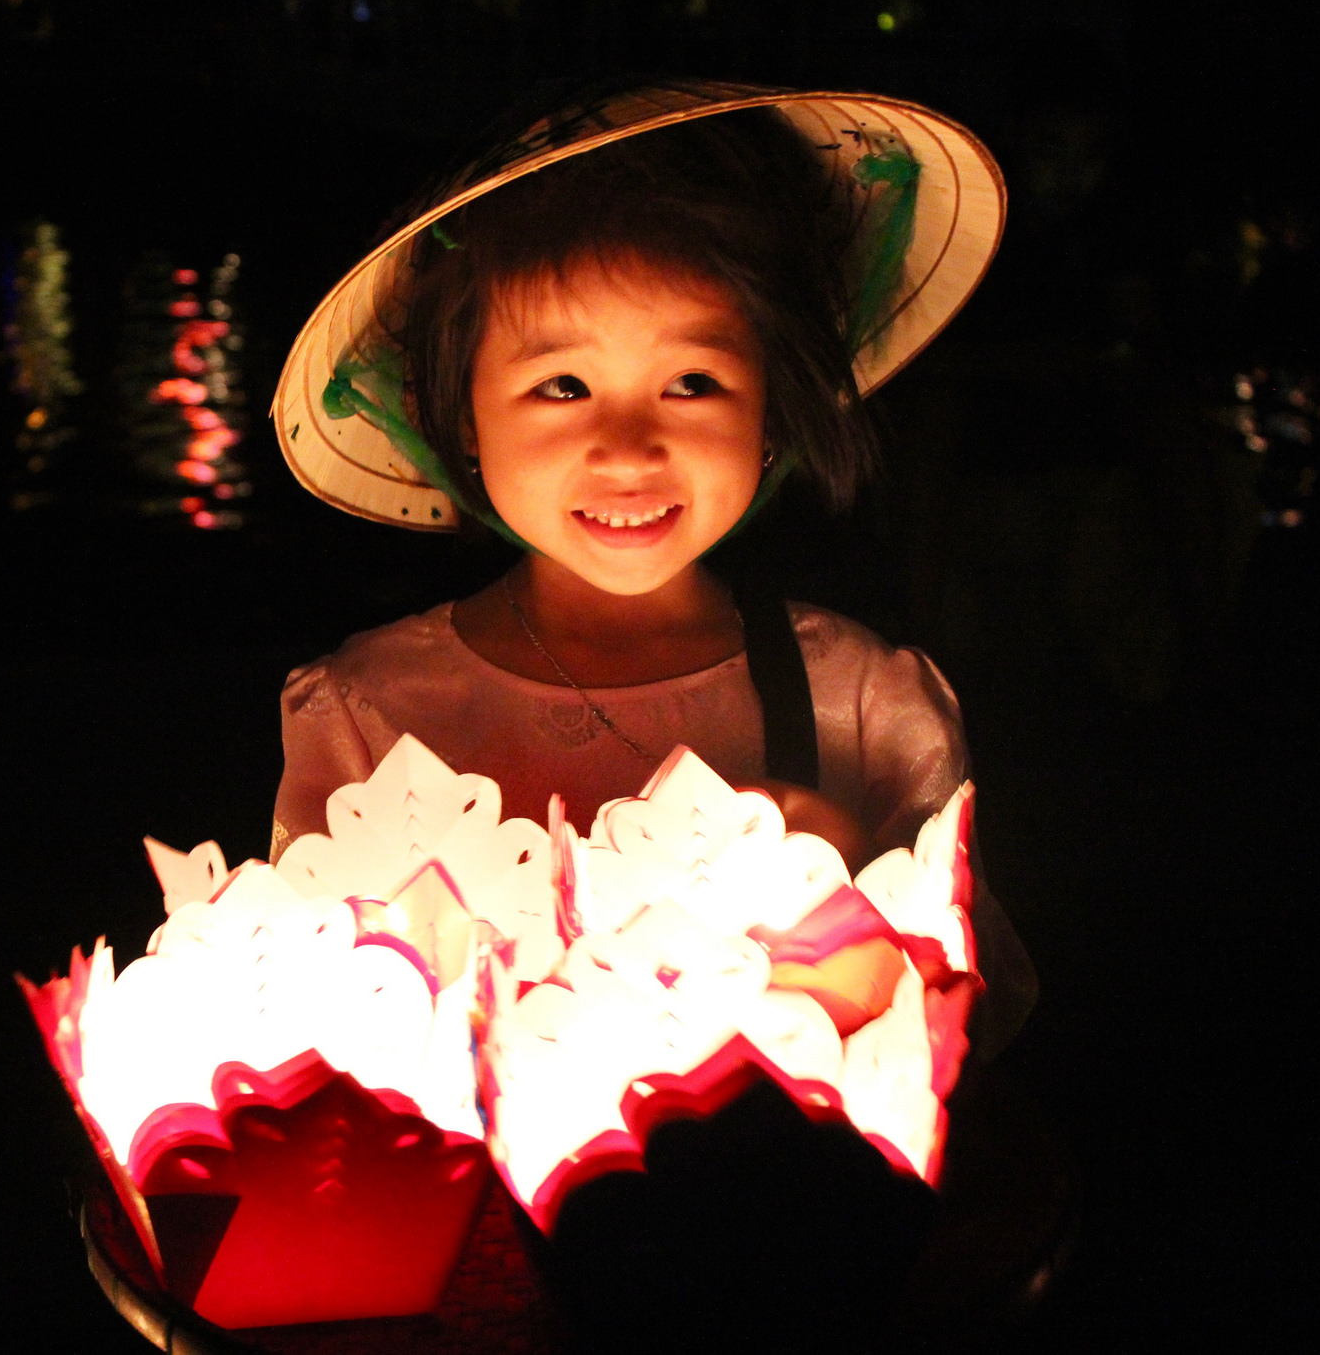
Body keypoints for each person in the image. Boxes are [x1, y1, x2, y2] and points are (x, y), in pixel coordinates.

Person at [268, 81, 1035, 1062]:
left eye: (691, 383)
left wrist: (839, 890)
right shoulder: (366, 711)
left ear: (771, 401)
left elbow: (973, 1022)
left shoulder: (864, 705)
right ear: (462, 419)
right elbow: (295, 1020)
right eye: (559, 386)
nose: (626, 449)